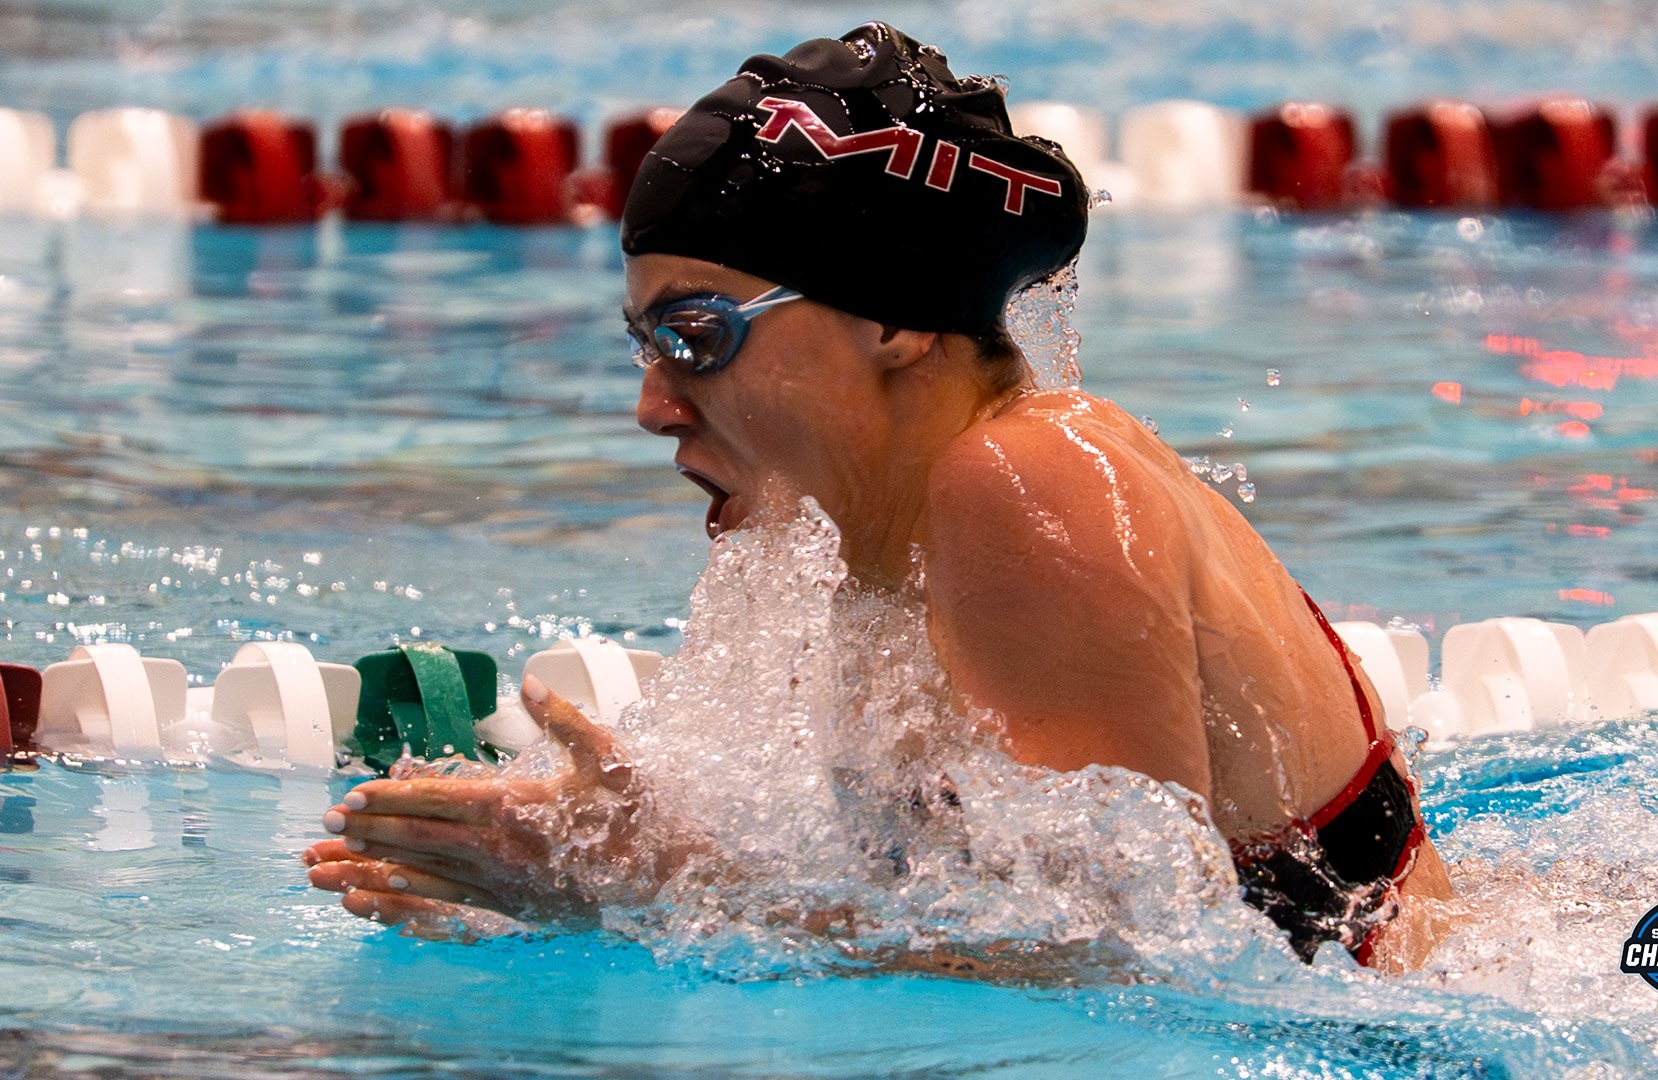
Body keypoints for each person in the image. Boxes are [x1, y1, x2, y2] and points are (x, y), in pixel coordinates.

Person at [304, 22, 1452, 970]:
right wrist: (596, 854)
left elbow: (1130, 954)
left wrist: (641, 892)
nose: (655, 406)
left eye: (697, 336)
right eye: (644, 347)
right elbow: (976, 908)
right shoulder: (872, 537)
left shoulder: (1020, 480)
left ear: (896, 320)